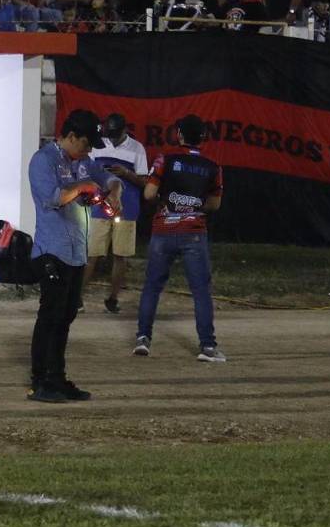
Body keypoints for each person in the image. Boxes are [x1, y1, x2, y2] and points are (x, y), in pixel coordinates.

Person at [26, 109, 122, 403]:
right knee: (50, 316)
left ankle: (58, 378)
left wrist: (114, 193)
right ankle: (40, 381)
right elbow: (52, 198)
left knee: (66, 316)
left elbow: (108, 179)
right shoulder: (43, 160)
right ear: (70, 137)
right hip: (52, 251)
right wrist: (82, 187)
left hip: (77, 253)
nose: (89, 150)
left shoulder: (84, 162)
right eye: (85, 143)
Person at [135, 115, 226, 362]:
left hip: (162, 231)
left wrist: (168, 203)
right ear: (204, 137)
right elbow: (215, 204)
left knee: (152, 286)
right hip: (193, 233)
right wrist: (193, 206)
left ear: (179, 135)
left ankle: (143, 338)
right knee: (200, 291)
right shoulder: (213, 167)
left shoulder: (165, 160)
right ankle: (207, 347)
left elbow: (149, 192)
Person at [83, 114, 148, 314]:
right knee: (92, 254)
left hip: (127, 209)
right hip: (99, 208)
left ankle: (112, 298)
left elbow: (145, 182)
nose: (111, 139)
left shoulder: (137, 149)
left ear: (124, 131)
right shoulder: (98, 145)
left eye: (115, 135)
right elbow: (86, 172)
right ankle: (77, 298)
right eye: (108, 135)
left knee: (121, 255)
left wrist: (126, 174)